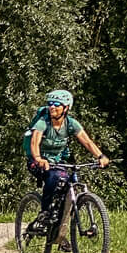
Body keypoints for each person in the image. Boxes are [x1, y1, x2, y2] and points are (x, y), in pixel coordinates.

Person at [25, 89, 108, 227]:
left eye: (57, 104)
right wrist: (38, 158)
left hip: (57, 161)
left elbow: (87, 141)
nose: (52, 107)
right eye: (50, 103)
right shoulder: (43, 122)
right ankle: (45, 212)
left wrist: (100, 156)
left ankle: (59, 230)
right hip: (37, 161)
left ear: (66, 108)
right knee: (53, 177)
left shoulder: (71, 123)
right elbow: (34, 141)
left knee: (67, 181)